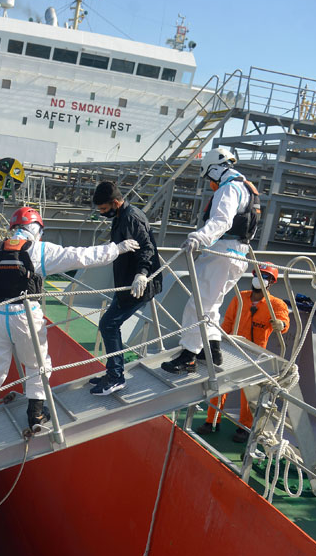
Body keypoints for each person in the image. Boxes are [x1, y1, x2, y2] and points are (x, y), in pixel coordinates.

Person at [0, 207, 140, 451]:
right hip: (27, 316)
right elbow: (80, 256)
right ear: (37, 229)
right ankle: (35, 414)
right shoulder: (40, 249)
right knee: (37, 364)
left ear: (14, 227)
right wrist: (116, 249)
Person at [162, 147, 260, 374]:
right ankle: (212, 349)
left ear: (214, 169)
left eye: (209, 177)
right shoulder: (246, 188)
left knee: (198, 304)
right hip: (239, 254)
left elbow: (222, 221)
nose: (211, 183)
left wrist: (199, 237)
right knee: (212, 302)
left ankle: (188, 356)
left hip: (222, 252)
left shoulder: (229, 189)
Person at [195, 263, 290, 441]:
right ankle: (212, 421)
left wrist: (281, 324)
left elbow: (283, 321)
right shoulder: (240, 297)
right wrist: (218, 342)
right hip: (232, 347)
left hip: (255, 354)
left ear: (271, 282)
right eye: (258, 275)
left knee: (248, 393)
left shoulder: (276, 304)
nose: (260, 279)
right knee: (220, 385)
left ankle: (244, 427)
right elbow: (228, 322)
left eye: (265, 276)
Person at [89, 182, 163, 395]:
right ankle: (113, 371)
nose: (102, 213)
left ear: (115, 203)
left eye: (104, 209)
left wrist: (142, 273)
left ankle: (116, 377)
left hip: (137, 285)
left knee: (109, 324)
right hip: (126, 284)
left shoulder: (131, 218)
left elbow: (146, 247)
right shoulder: (121, 216)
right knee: (110, 324)